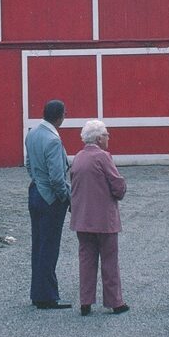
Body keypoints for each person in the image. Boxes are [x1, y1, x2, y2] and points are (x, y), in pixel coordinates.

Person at [69, 120, 129, 316]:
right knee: (109, 260)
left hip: (82, 219)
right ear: (98, 138)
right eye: (106, 134)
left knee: (86, 259)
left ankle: (86, 301)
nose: (108, 137)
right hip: (104, 218)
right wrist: (121, 192)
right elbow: (117, 184)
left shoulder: (78, 157)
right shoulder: (103, 157)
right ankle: (115, 302)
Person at [25, 99, 72, 309]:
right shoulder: (53, 140)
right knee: (49, 247)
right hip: (50, 198)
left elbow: (28, 164)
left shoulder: (32, 133)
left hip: (35, 192)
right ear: (60, 116)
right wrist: (65, 197)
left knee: (39, 245)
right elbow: (57, 178)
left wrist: (37, 180)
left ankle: (38, 293)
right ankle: (47, 296)